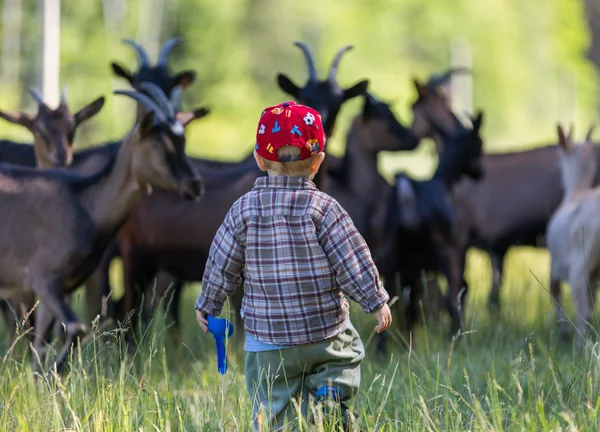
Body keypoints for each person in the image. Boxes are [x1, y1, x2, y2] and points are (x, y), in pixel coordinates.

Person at [195, 101, 392, 431]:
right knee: (345, 355)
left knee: (273, 407)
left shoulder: (243, 211)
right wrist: (376, 300)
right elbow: (353, 258)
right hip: (324, 332)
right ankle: (330, 394)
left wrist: (209, 304)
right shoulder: (324, 209)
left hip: (269, 341)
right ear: (318, 162)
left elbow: (221, 263)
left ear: (259, 159)